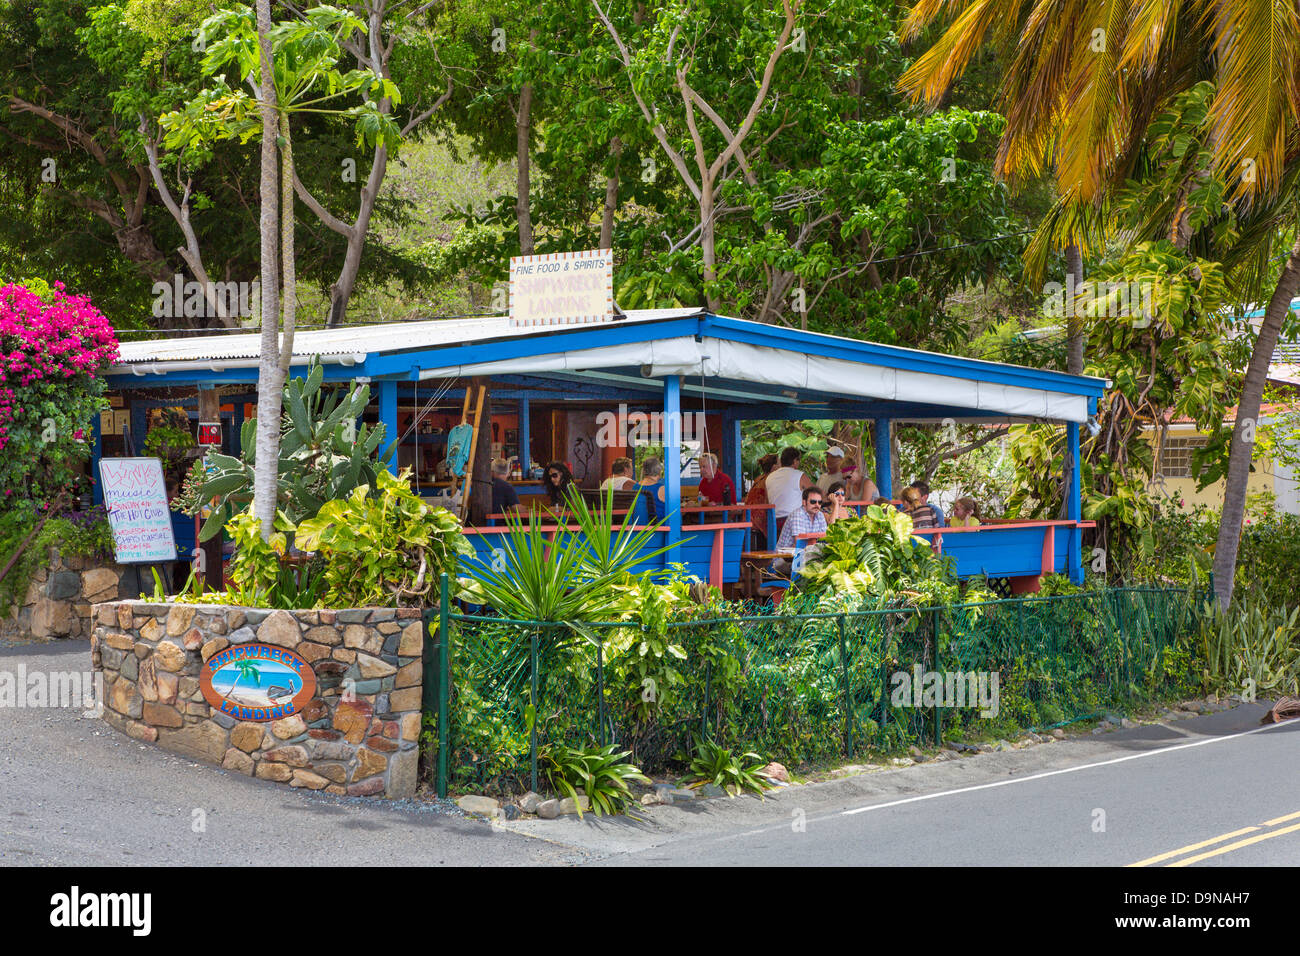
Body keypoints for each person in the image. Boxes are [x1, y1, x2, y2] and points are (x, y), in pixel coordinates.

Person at [766, 446, 813, 533]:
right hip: (794, 521)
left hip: (774, 522)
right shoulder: (799, 475)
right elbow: (815, 493)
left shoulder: (770, 477)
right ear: (795, 461)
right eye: (798, 460)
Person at [743, 453, 779, 548]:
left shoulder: (758, 479)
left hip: (748, 518)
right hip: (760, 522)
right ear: (774, 467)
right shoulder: (771, 480)